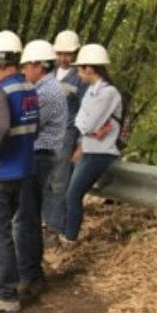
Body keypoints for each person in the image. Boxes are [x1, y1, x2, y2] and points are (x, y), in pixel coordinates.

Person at [0, 30, 39, 313]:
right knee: (15, 229)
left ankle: (5, 294)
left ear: (0, 60)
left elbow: (0, 127)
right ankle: (23, 280)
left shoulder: (1, 92)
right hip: (23, 172)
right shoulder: (28, 89)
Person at [14, 40, 67, 299]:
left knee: (25, 220)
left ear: (38, 65)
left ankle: (28, 276)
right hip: (40, 157)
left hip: (38, 157)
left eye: (26, 66)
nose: (24, 71)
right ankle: (34, 275)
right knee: (30, 217)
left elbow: (27, 126)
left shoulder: (45, 93)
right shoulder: (45, 88)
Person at [55, 44, 122, 250]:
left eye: (79, 68)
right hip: (90, 149)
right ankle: (67, 234)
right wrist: (86, 131)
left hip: (101, 153)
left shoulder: (108, 93)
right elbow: (82, 121)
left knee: (73, 194)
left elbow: (86, 123)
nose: (77, 72)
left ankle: (70, 238)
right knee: (71, 193)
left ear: (89, 69)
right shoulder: (93, 91)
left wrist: (87, 126)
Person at [44, 30, 87, 239]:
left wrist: (80, 143)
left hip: (67, 131)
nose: (63, 58)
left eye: (68, 54)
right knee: (44, 176)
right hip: (45, 130)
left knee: (60, 180)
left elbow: (86, 111)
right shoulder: (48, 72)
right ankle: (45, 219)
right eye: (60, 53)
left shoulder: (81, 77)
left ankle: (55, 225)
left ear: (75, 53)